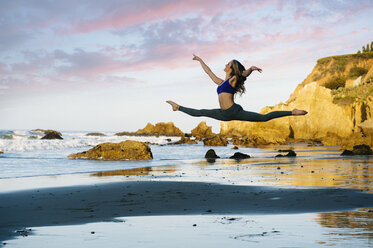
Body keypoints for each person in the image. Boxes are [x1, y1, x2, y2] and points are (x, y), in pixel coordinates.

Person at [166, 55, 307, 122]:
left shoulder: (233, 79)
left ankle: (292, 112)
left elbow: (242, 74)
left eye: (228, 63)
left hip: (234, 111)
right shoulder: (221, 82)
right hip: (223, 114)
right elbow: (208, 72)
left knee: (263, 118)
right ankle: (177, 107)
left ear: (231, 68)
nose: (225, 64)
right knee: (201, 112)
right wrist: (200, 60)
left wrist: (251, 69)